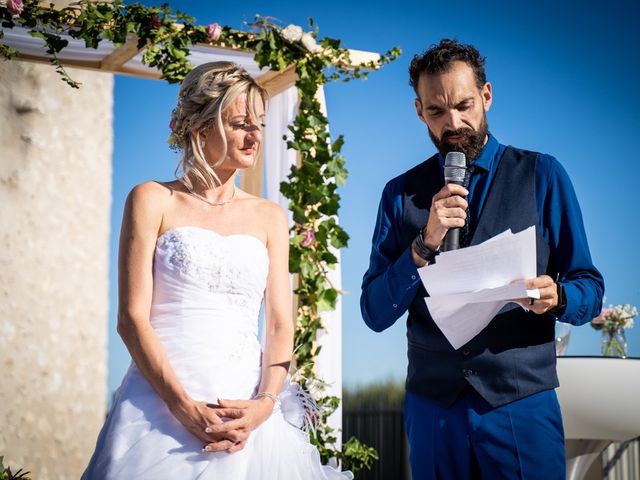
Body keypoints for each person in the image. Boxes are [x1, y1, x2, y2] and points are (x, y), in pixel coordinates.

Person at [83, 61, 352, 480]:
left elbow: (281, 325)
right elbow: (131, 318)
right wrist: (183, 407)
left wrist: (263, 406)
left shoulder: (270, 217)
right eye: (240, 123)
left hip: (249, 411)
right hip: (160, 403)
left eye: (259, 124)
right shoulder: (152, 200)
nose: (255, 135)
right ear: (200, 126)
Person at [360, 39, 604, 479]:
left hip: (520, 403)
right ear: (419, 111)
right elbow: (374, 312)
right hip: (433, 408)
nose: (453, 122)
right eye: (436, 111)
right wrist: (423, 242)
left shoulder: (542, 175)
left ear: (486, 96)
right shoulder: (398, 194)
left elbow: (589, 285)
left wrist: (559, 295)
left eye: (464, 104)